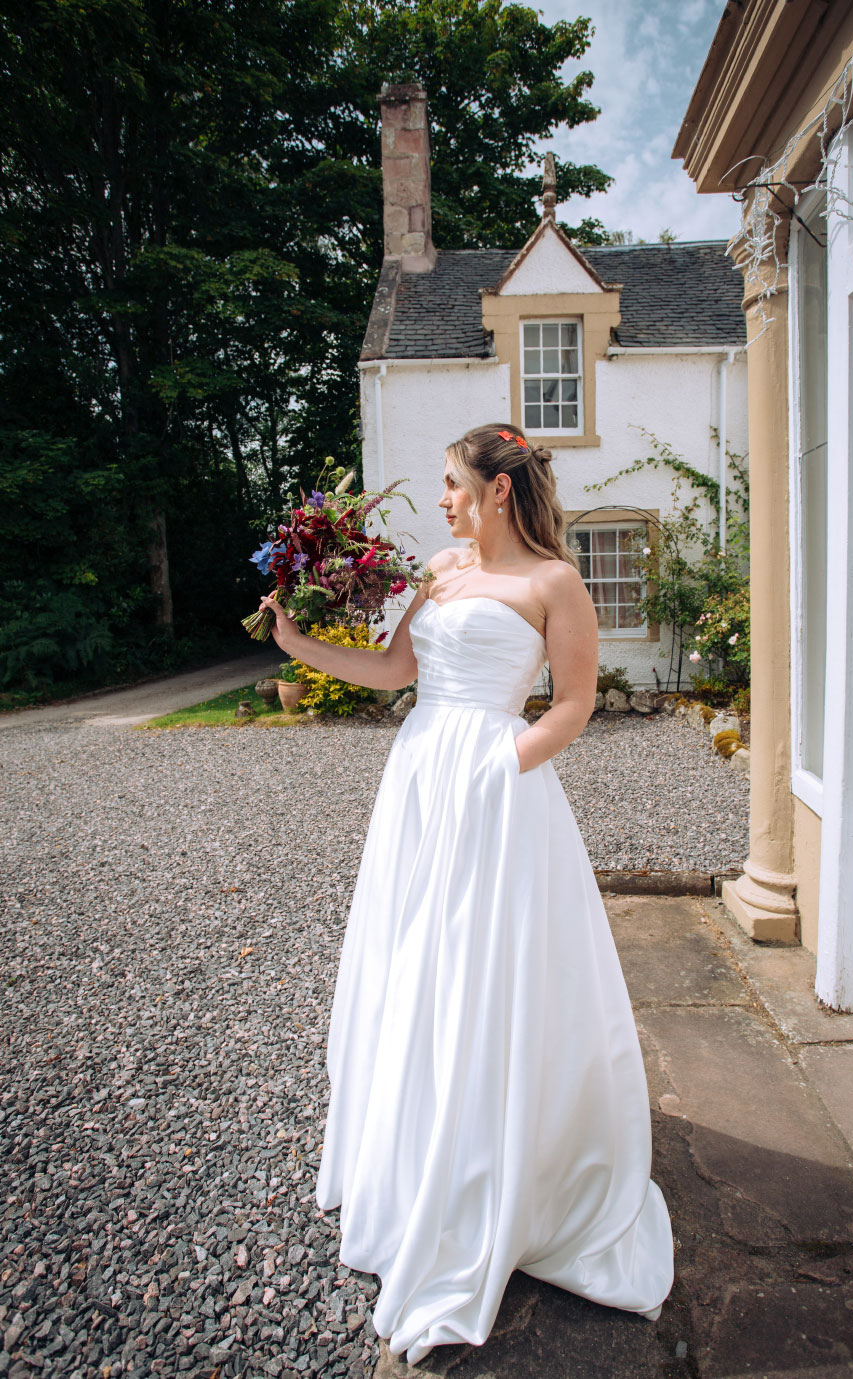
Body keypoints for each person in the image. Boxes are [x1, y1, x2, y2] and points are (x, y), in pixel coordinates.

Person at [259, 423, 674, 1367]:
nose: (440, 499)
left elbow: (572, 702)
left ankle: (502, 1154)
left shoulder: (553, 583)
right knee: (415, 954)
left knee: (490, 964)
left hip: (494, 781)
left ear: (496, 491)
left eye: (452, 483)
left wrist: (500, 766)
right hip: (416, 781)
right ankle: (416, 1151)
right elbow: (395, 672)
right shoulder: (440, 570)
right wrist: (299, 642)